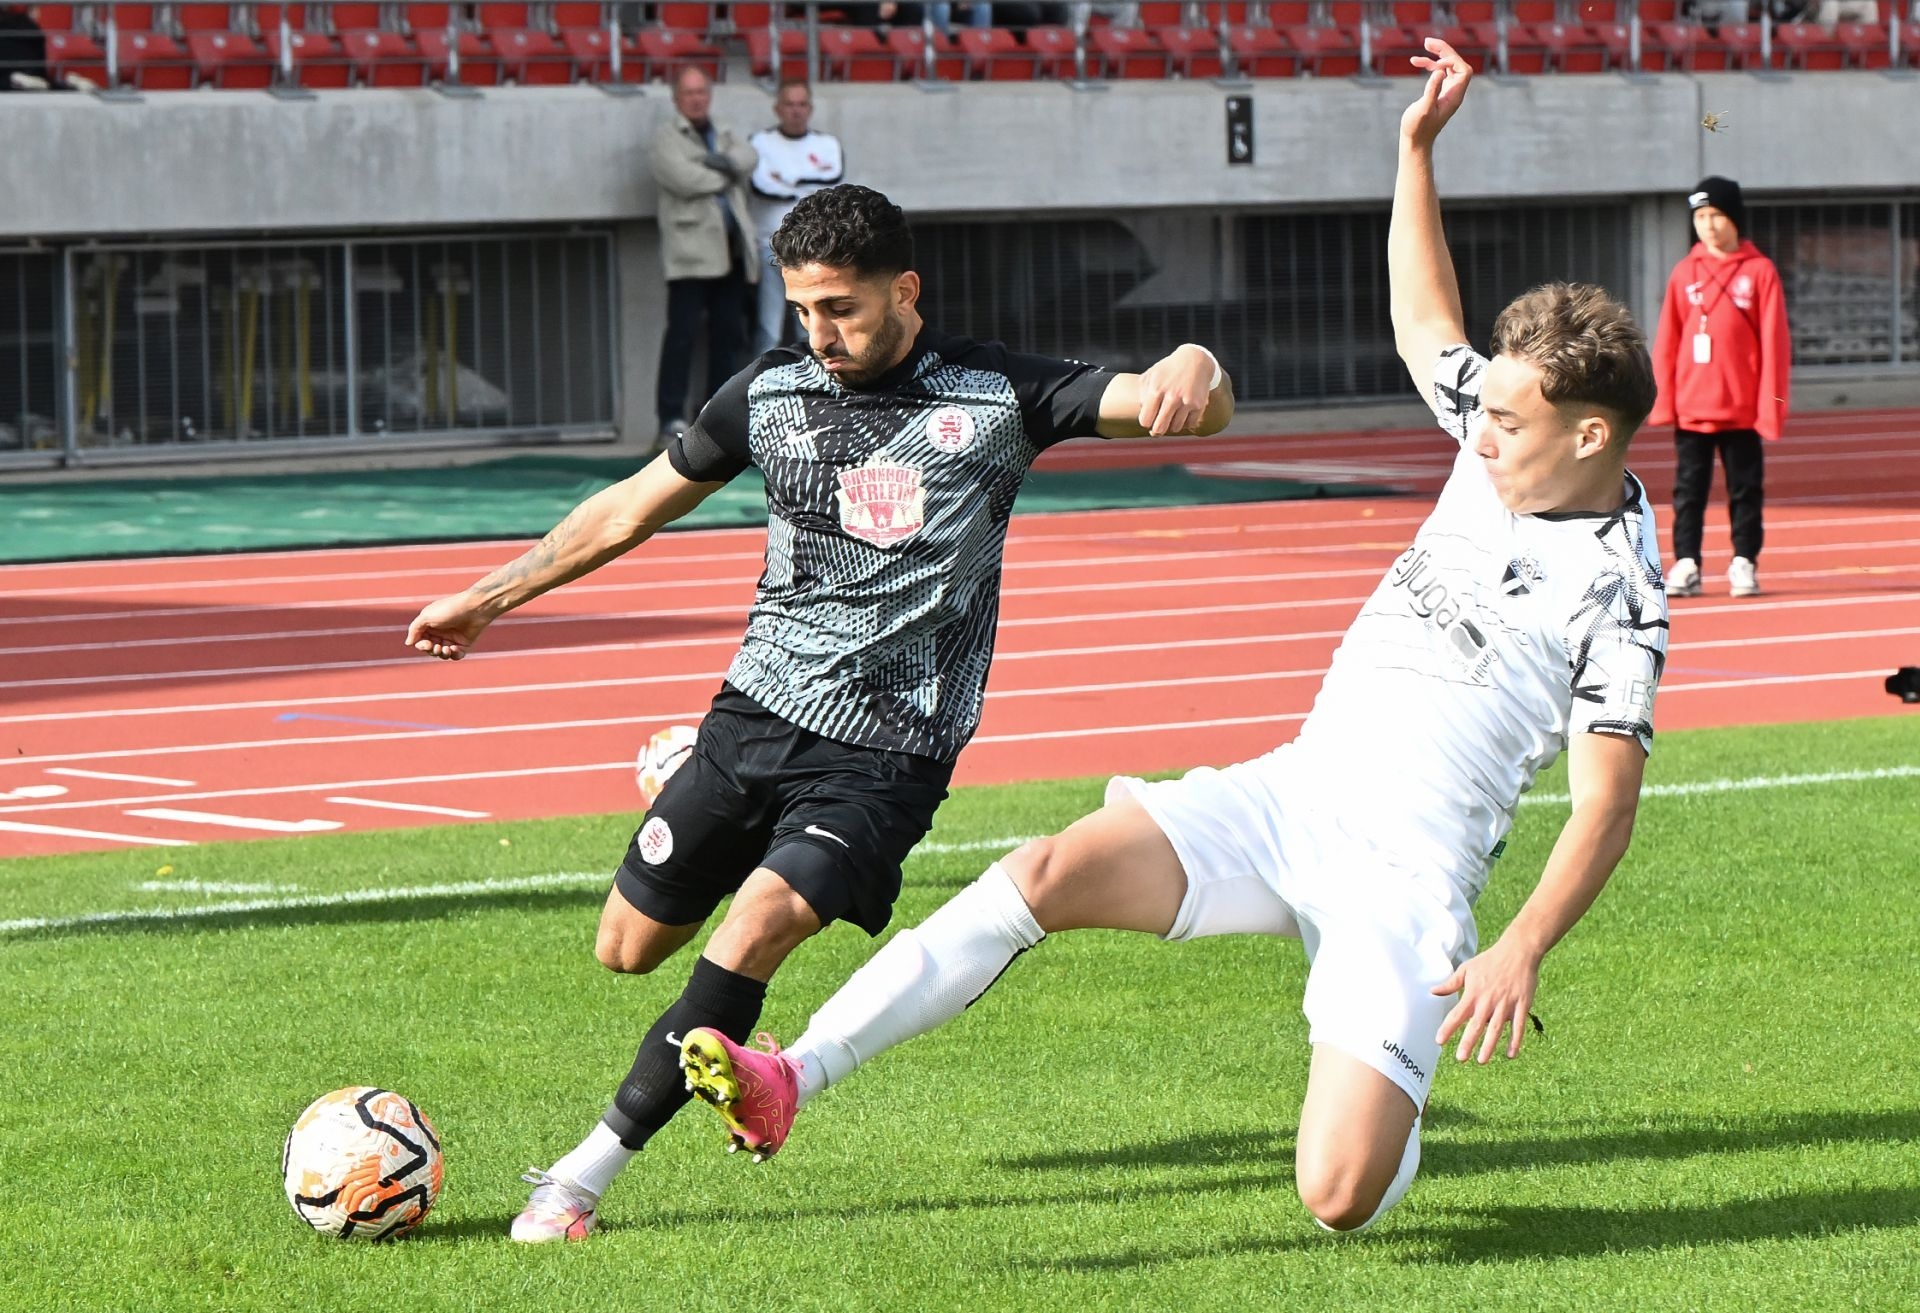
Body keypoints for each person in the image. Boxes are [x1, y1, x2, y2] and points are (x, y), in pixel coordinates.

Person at [678, 38, 1671, 1236]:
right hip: (1289, 795)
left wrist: (1520, 947)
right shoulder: (1498, 427)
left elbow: (1606, 805)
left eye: (1508, 421)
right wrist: (1415, 149)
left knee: (1339, 1197)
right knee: (1045, 871)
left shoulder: (1620, 592)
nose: (1479, 427)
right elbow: (1425, 320)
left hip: (1408, 876)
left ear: (1590, 436)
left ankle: (1388, 1114)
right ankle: (795, 1072)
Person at [403, 182, 1234, 1243]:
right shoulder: (770, 391)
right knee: (625, 947)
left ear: (905, 290)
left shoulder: (997, 394)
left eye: (841, 307)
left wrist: (1195, 363)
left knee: (756, 925)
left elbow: (1181, 398)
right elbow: (627, 510)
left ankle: (575, 1181)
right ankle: (702, 794)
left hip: (888, 750)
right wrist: (487, 599)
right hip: (752, 717)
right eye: (803, 309)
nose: (821, 333)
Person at [1648, 176, 1789, 599]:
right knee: (1688, 491)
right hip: (1693, 408)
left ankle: (1744, 560)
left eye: (1717, 215)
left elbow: (1775, 344)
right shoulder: (1684, 273)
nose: (1708, 225)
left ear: (1735, 218)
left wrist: (1770, 407)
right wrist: (1664, 400)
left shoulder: (1760, 272)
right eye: (1700, 217)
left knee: (1745, 490)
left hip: (1742, 410)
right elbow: (1668, 340)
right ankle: (1687, 562)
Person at [649, 66, 759, 453]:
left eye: (702, 92)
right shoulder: (666, 137)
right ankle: (669, 418)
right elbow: (683, 179)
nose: (697, 99)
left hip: (731, 252)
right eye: (689, 93)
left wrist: (726, 163)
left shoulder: (723, 130)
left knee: (727, 335)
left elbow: (749, 156)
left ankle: (716, 418)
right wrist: (727, 172)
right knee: (681, 336)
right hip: (691, 256)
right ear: (677, 98)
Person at [747, 79, 844, 355]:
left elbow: (831, 183)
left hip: (814, 252)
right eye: (789, 104)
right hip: (770, 248)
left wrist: (785, 178)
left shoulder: (827, 144)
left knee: (812, 328)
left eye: (802, 104)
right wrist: (805, 184)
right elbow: (762, 187)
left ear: (810, 108)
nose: (796, 110)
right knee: (768, 329)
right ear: (777, 108)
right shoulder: (760, 143)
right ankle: (762, 381)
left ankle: (816, 382)